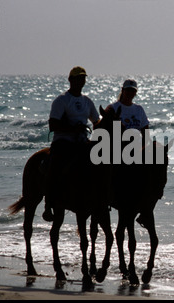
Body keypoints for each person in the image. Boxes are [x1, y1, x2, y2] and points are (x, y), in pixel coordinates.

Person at [43, 66, 100, 221]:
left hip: (82, 141)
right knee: (55, 166)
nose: (80, 81)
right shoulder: (62, 100)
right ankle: (48, 205)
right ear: (70, 80)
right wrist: (73, 129)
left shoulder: (87, 101)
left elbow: (96, 121)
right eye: (77, 78)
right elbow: (53, 125)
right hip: (63, 142)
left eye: (82, 78)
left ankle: (100, 200)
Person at [105, 79, 151, 227]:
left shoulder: (139, 109)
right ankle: (106, 197)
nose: (130, 93)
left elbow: (145, 130)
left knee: (154, 170)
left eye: (133, 91)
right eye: (128, 90)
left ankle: (146, 208)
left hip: (137, 147)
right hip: (118, 146)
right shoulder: (113, 108)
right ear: (122, 91)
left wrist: (146, 145)